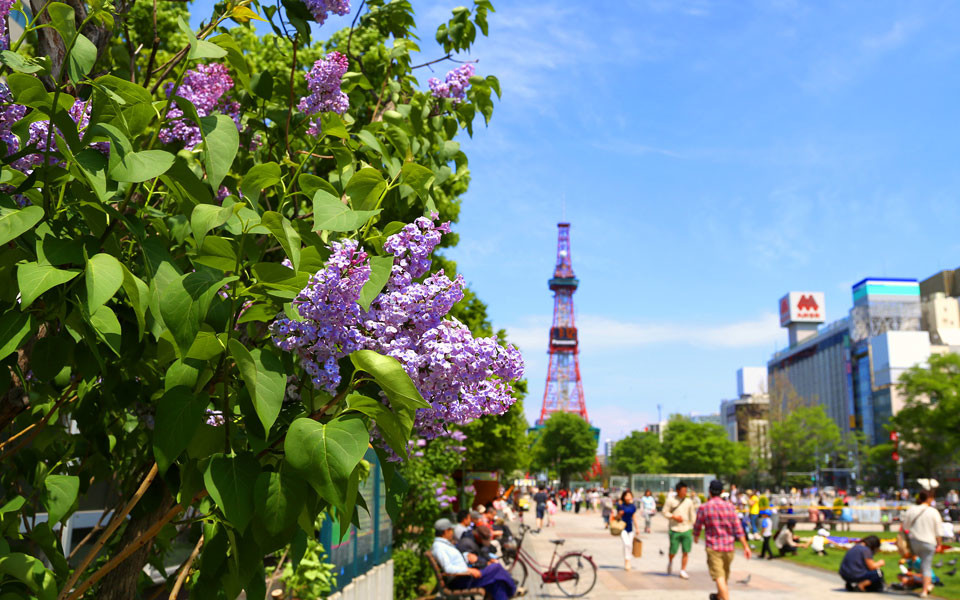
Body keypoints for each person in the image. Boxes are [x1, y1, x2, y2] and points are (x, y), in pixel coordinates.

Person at [431, 518, 522, 600]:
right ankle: (513, 590)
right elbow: (448, 568)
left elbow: (453, 561)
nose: (452, 533)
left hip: (464, 577)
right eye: (451, 530)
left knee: (497, 583)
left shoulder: (443, 544)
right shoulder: (439, 547)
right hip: (461, 581)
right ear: (445, 531)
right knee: (496, 568)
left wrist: (466, 556)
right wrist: (469, 570)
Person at [693, 480, 751, 600]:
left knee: (719, 577)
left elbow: (698, 525)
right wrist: (746, 546)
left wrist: (696, 536)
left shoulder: (705, 507)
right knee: (723, 578)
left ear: (709, 492)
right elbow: (738, 529)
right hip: (729, 548)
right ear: (722, 492)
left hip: (713, 548)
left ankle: (722, 597)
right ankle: (718, 597)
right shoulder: (730, 507)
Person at [902, 490, 943, 598]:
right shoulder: (933, 512)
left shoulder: (912, 510)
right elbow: (938, 531)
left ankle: (911, 580)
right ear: (930, 499)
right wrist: (939, 544)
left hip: (914, 541)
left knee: (913, 562)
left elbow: (905, 527)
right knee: (926, 566)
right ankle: (925, 590)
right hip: (929, 542)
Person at [662, 481, 697, 579]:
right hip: (674, 529)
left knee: (686, 551)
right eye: (683, 490)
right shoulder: (671, 500)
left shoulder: (689, 501)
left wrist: (694, 526)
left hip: (686, 529)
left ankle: (683, 570)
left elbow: (692, 515)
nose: (685, 492)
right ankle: (670, 561)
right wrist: (674, 517)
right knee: (673, 550)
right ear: (678, 490)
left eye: (686, 490)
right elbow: (664, 512)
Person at [616, 489, 640, 571]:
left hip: (630, 528)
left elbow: (634, 517)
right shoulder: (620, 506)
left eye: (629, 495)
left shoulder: (633, 506)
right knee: (626, 544)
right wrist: (619, 514)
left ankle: (628, 560)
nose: (628, 497)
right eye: (626, 495)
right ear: (624, 497)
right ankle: (626, 560)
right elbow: (617, 518)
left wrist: (637, 528)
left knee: (630, 545)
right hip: (622, 528)